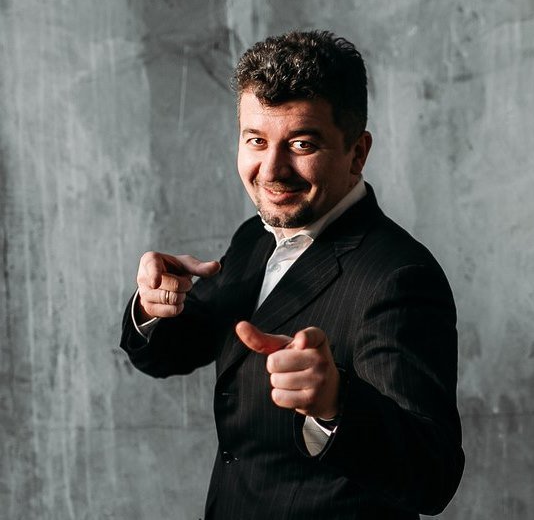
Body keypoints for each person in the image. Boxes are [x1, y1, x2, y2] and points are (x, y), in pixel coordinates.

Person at [120, 30, 464, 519]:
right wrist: (154, 306)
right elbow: (172, 353)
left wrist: (337, 404)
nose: (271, 170)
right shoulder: (254, 238)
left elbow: (434, 476)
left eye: (301, 143)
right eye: (256, 141)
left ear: (357, 153)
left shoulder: (400, 277)